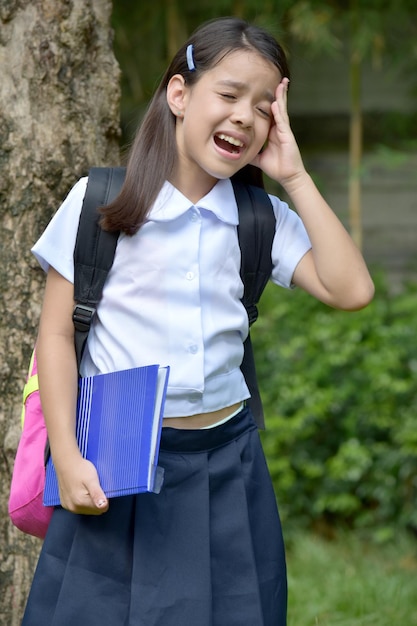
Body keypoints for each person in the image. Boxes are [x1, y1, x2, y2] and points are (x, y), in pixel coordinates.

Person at [22, 16, 374, 626]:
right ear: (179, 96)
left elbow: (352, 289)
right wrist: (68, 454)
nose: (246, 116)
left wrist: (293, 174)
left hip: (227, 464)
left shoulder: (259, 217)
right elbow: (55, 336)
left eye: (265, 107)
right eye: (230, 94)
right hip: (118, 464)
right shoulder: (100, 204)